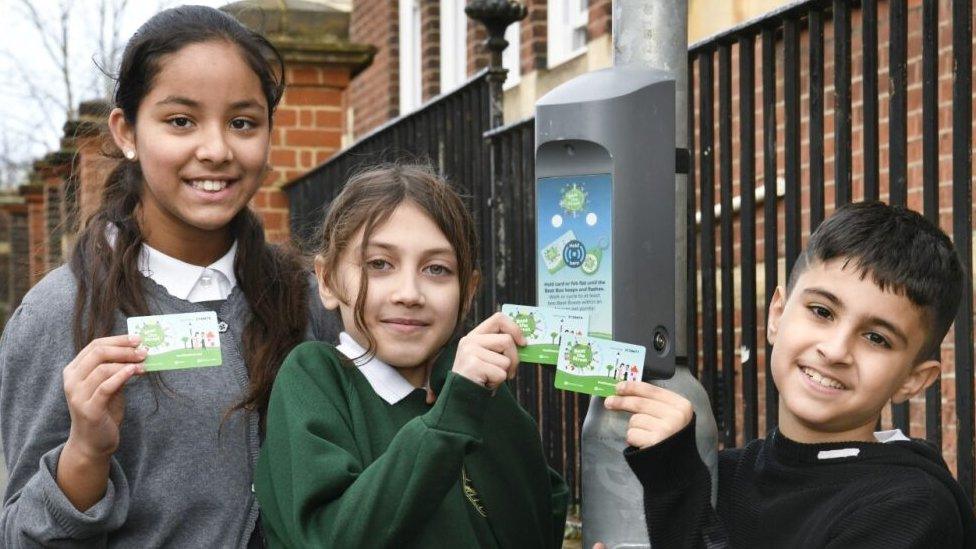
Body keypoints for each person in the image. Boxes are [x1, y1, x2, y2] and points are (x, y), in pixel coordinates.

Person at [0, 6, 337, 547]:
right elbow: (21, 536)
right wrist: (85, 454)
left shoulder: (308, 301)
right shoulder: (57, 315)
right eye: (181, 120)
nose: (217, 150)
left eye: (243, 122)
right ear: (127, 132)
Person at [606, 201, 976, 548]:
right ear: (777, 315)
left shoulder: (910, 509)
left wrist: (679, 486)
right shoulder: (723, 472)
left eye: (876, 338)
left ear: (914, 379)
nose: (834, 350)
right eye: (821, 311)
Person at [254, 164, 569, 547]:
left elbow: (538, 520)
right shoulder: (316, 377)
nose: (409, 293)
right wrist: (452, 416)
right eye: (379, 264)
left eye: (436, 269)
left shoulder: (473, 389)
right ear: (327, 280)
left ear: (467, 291)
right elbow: (334, 537)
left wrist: (476, 399)